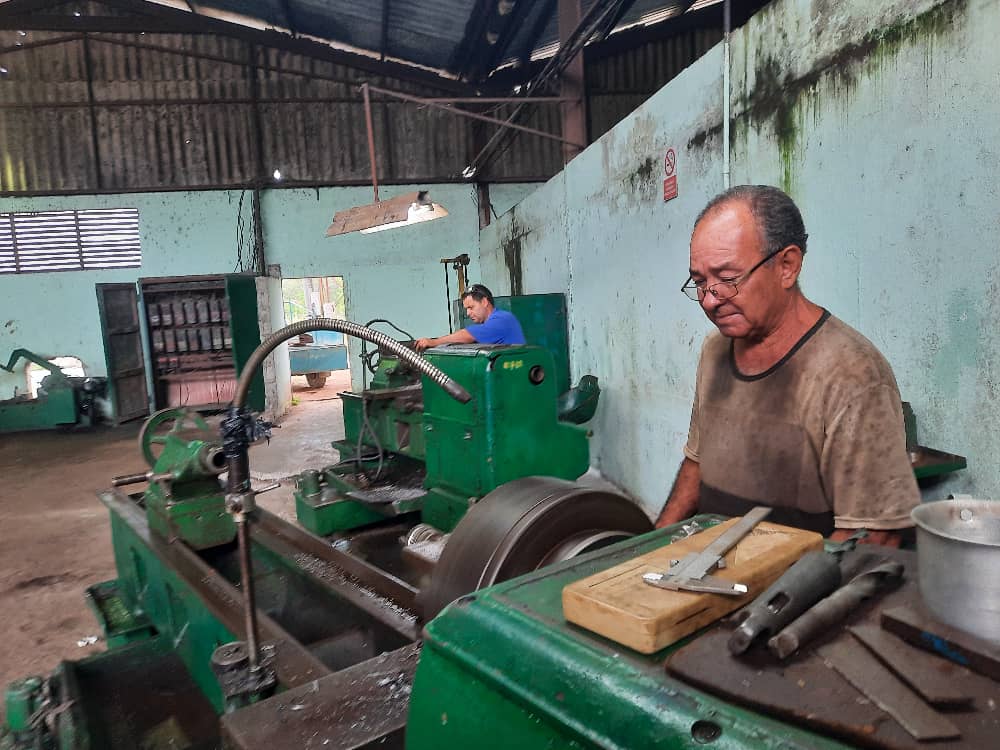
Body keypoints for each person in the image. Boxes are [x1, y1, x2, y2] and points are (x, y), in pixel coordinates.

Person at [655, 185, 919, 546]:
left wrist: (775, 595)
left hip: (795, 593)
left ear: (786, 266)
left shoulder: (852, 374)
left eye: (728, 279)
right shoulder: (714, 352)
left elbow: (874, 533)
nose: (710, 300)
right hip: (711, 572)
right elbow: (696, 462)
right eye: (700, 282)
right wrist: (647, 549)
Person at [414, 284, 526, 351]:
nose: (468, 313)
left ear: (484, 302)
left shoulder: (503, 319)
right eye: (466, 309)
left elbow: (468, 335)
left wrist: (434, 342)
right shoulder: (490, 322)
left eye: (471, 307)